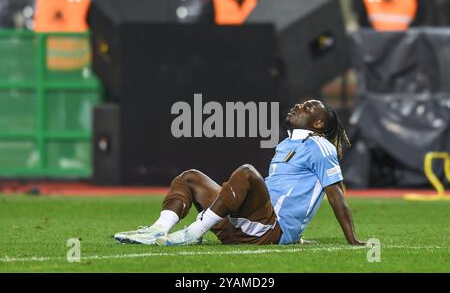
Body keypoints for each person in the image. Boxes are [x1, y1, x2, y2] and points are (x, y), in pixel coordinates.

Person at [115, 100, 365, 246]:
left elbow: (335, 194)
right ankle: (158, 229)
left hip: (270, 231)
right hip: (244, 228)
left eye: (308, 108)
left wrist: (352, 238)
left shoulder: (320, 145)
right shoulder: (286, 143)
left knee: (247, 172)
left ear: (318, 124)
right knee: (189, 177)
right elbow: (289, 193)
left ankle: (193, 233)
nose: (298, 105)